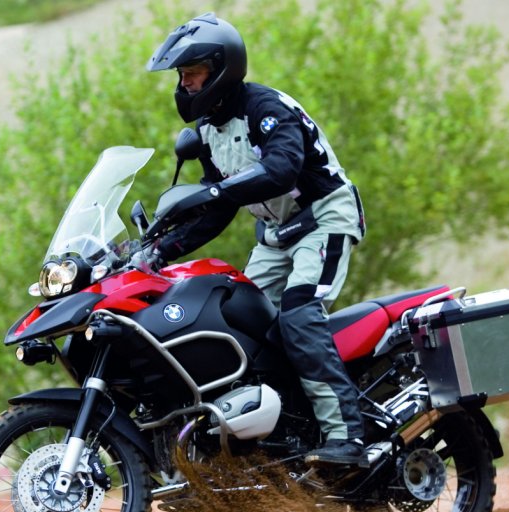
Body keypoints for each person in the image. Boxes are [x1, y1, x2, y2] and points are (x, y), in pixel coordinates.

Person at [145, 13, 367, 466]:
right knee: (237, 323)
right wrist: (157, 250)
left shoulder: (265, 109)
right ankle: (280, 433)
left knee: (299, 314)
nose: (185, 84)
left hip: (323, 219)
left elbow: (281, 169)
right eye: (182, 75)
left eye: (192, 72)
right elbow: (218, 209)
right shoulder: (208, 128)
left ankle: (347, 436)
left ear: (221, 69)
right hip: (275, 236)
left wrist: (215, 191)